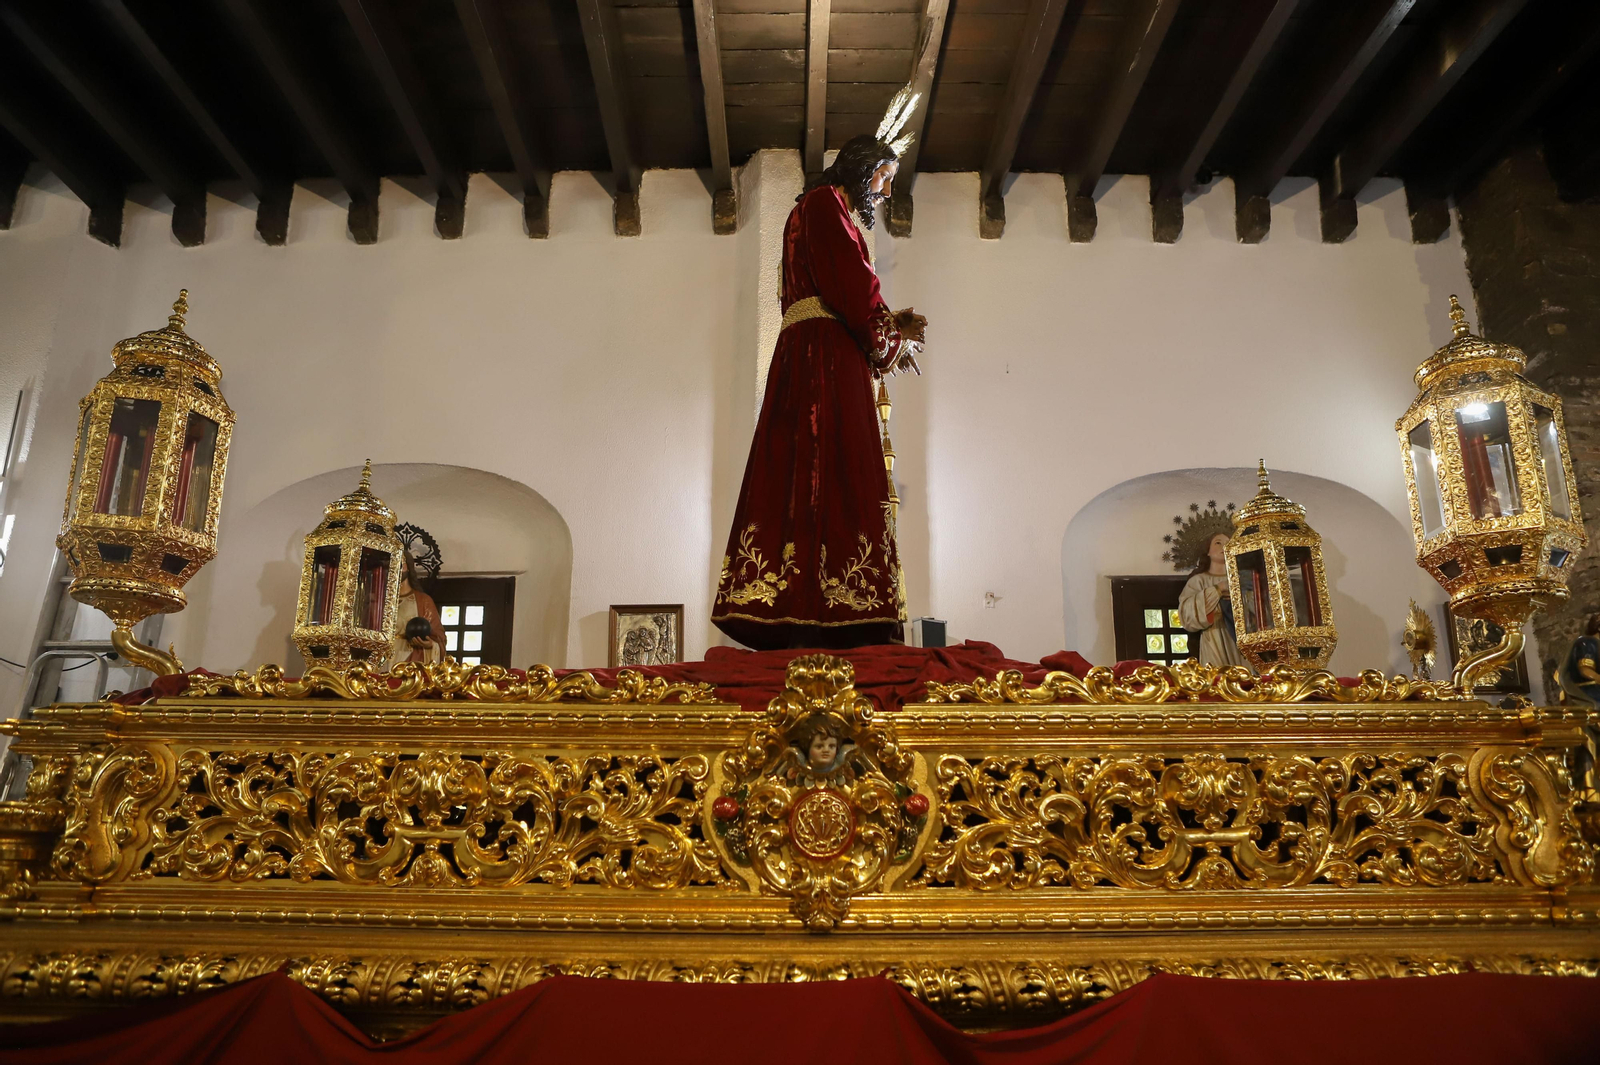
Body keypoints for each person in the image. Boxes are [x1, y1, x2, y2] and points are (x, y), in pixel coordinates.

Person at [712, 89, 925, 651]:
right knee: (834, 463)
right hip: (825, 357)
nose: (884, 188)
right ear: (862, 169)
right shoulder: (827, 205)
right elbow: (853, 287)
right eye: (883, 175)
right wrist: (888, 337)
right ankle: (824, 599)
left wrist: (886, 320)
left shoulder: (817, 210)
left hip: (812, 350)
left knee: (811, 469)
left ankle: (817, 595)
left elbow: (841, 286)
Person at [1179, 532, 1248, 668]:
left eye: (1228, 543)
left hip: (1241, 638)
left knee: (1244, 676)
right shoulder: (1198, 581)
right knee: (1217, 677)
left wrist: (1241, 600)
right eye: (1218, 543)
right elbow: (1186, 615)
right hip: (1213, 636)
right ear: (1208, 551)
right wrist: (1217, 589)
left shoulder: (1242, 579)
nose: (1224, 546)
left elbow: (1259, 608)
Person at [392, 553, 447, 665]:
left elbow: (438, 636)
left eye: (400, 563)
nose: (396, 567)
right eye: (392, 563)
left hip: (412, 658)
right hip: (386, 658)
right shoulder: (382, 601)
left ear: (408, 567)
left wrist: (430, 644)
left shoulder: (423, 601)